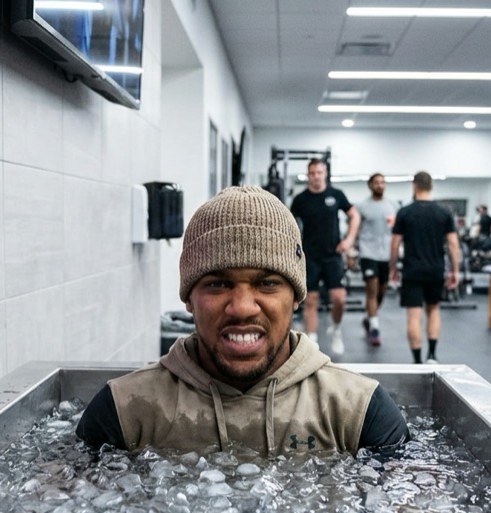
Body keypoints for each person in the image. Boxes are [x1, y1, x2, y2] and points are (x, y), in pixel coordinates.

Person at [77, 186, 408, 455]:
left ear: (296, 296)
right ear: (188, 298)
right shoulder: (123, 413)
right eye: (218, 284)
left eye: (267, 283)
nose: (243, 307)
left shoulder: (359, 413)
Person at [288, 159, 360, 356]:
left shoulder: (336, 195)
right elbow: (288, 222)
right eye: (312, 173)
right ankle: (312, 342)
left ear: (325, 174)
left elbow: (355, 215)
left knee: (339, 299)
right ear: (308, 175)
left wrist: (349, 240)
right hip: (310, 257)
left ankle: (336, 330)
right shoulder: (301, 199)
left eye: (319, 172)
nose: (316, 176)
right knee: (310, 299)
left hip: (333, 256)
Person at [389, 172, 462, 364]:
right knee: (433, 310)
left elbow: (395, 245)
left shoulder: (404, 212)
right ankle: (432, 355)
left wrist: (393, 269)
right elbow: (453, 245)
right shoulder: (443, 212)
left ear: (414, 186)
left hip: (412, 270)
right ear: (431, 186)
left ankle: (417, 361)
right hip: (435, 270)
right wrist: (455, 270)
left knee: (414, 315)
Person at [355, 173, 400, 347]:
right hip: (368, 253)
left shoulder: (393, 206)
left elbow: (397, 232)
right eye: (376, 182)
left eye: (382, 182)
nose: (380, 185)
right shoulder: (362, 207)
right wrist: (352, 252)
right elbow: (356, 230)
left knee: (381, 291)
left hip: (386, 255)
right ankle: (374, 328)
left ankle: (369, 318)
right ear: (370, 185)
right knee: (372, 290)